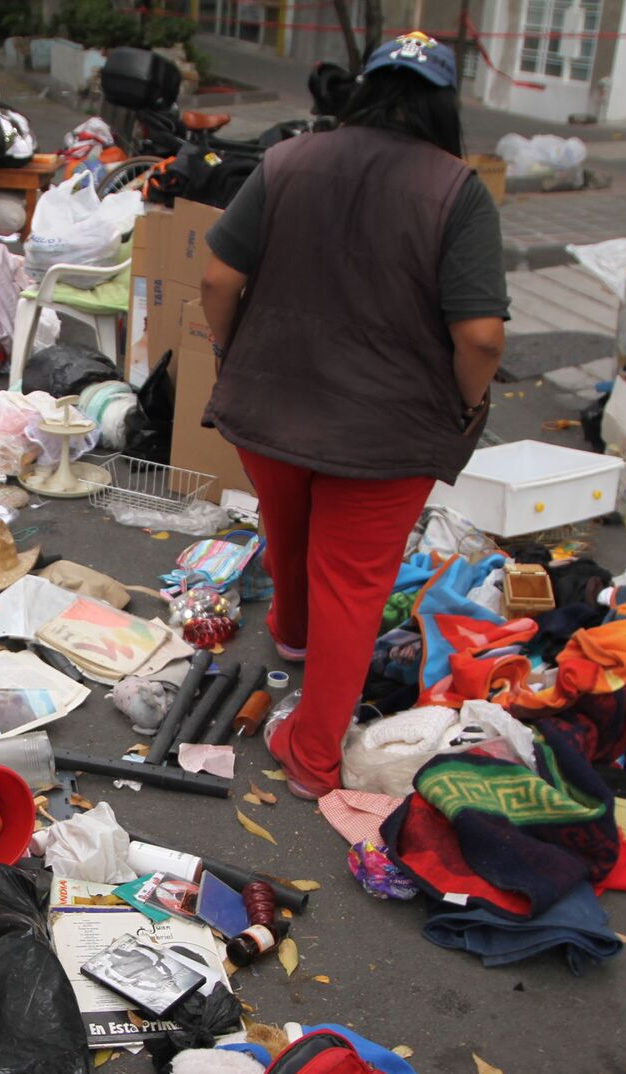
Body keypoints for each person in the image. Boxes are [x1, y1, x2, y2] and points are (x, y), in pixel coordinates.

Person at [197, 31, 508, 800]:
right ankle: (311, 762)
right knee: (354, 585)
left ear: (364, 89)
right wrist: (467, 402)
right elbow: (481, 335)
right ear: (441, 103)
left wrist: (232, 352)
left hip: (272, 402)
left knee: (289, 527)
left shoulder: (288, 160)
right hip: (386, 431)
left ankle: (291, 641)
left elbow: (215, 278)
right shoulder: (455, 189)